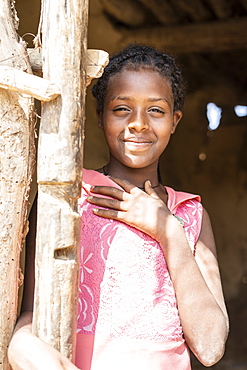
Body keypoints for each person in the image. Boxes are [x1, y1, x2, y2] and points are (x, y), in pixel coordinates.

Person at [8, 44, 229, 370]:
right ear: (100, 117)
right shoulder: (68, 196)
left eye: (155, 110)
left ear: (174, 121)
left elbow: (210, 348)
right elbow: (30, 312)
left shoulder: (190, 214)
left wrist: (168, 231)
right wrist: (22, 344)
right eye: (122, 108)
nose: (138, 124)